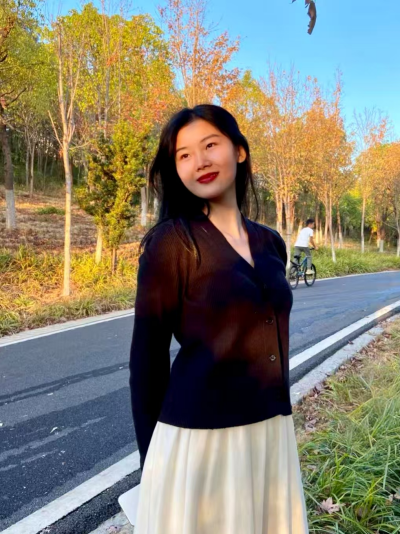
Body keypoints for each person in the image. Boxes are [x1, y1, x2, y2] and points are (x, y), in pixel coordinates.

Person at [129, 104, 309, 534]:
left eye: (210, 145)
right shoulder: (172, 244)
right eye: (184, 155)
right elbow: (146, 362)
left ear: (239, 151)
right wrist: (152, 465)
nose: (200, 161)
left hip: (271, 431)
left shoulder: (270, 242)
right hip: (200, 441)